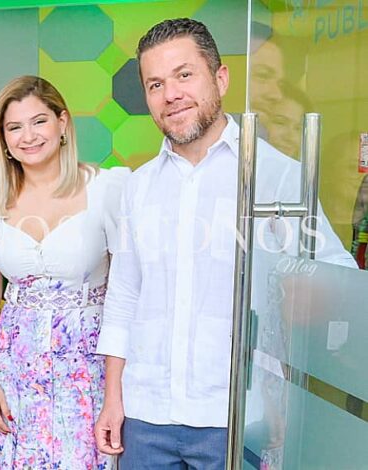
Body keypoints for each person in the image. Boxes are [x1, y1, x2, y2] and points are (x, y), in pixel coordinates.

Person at [93, 18, 356, 469]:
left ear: (220, 78)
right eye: (155, 83)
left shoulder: (277, 177)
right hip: (146, 416)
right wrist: (112, 399)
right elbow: (123, 298)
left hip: (237, 418)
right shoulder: (137, 188)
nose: (170, 94)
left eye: (184, 74)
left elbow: (336, 279)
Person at [0, 75, 129, 469]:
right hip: (14, 370)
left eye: (39, 121)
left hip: (85, 370)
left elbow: (126, 292)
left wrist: (115, 391)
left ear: (62, 123)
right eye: (14, 127)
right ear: (2, 139)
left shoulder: (109, 188)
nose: (28, 136)